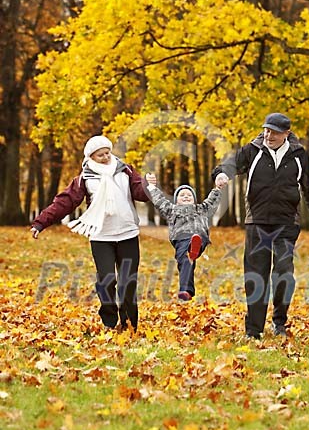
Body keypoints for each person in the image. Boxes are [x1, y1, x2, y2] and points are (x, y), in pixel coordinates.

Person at [212, 113, 309, 339]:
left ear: (286, 133)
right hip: (257, 222)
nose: (269, 135)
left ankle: (279, 322)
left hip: (286, 223)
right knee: (256, 274)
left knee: (284, 272)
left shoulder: (298, 155)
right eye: (266, 130)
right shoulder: (253, 150)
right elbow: (230, 164)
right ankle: (254, 330)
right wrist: (221, 175)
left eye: (274, 132)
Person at [31, 135, 150, 332]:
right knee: (106, 280)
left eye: (107, 152)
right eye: (100, 154)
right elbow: (65, 202)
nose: (106, 157)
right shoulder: (84, 178)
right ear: (91, 157)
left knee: (128, 282)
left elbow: (140, 192)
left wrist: (148, 186)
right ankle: (109, 323)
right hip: (101, 237)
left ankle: (129, 325)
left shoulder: (125, 170)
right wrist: (40, 223)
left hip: (128, 234)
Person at [145, 173, 222, 301]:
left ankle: (194, 247)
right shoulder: (172, 210)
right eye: (182, 195)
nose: (186, 196)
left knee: (193, 246)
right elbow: (160, 201)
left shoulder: (201, 209)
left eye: (189, 195)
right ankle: (186, 290)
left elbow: (211, 201)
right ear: (176, 200)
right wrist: (152, 187)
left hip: (199, 236)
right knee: (185, 261)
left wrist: (218, 188)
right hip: (181, 239)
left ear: (194, 198)